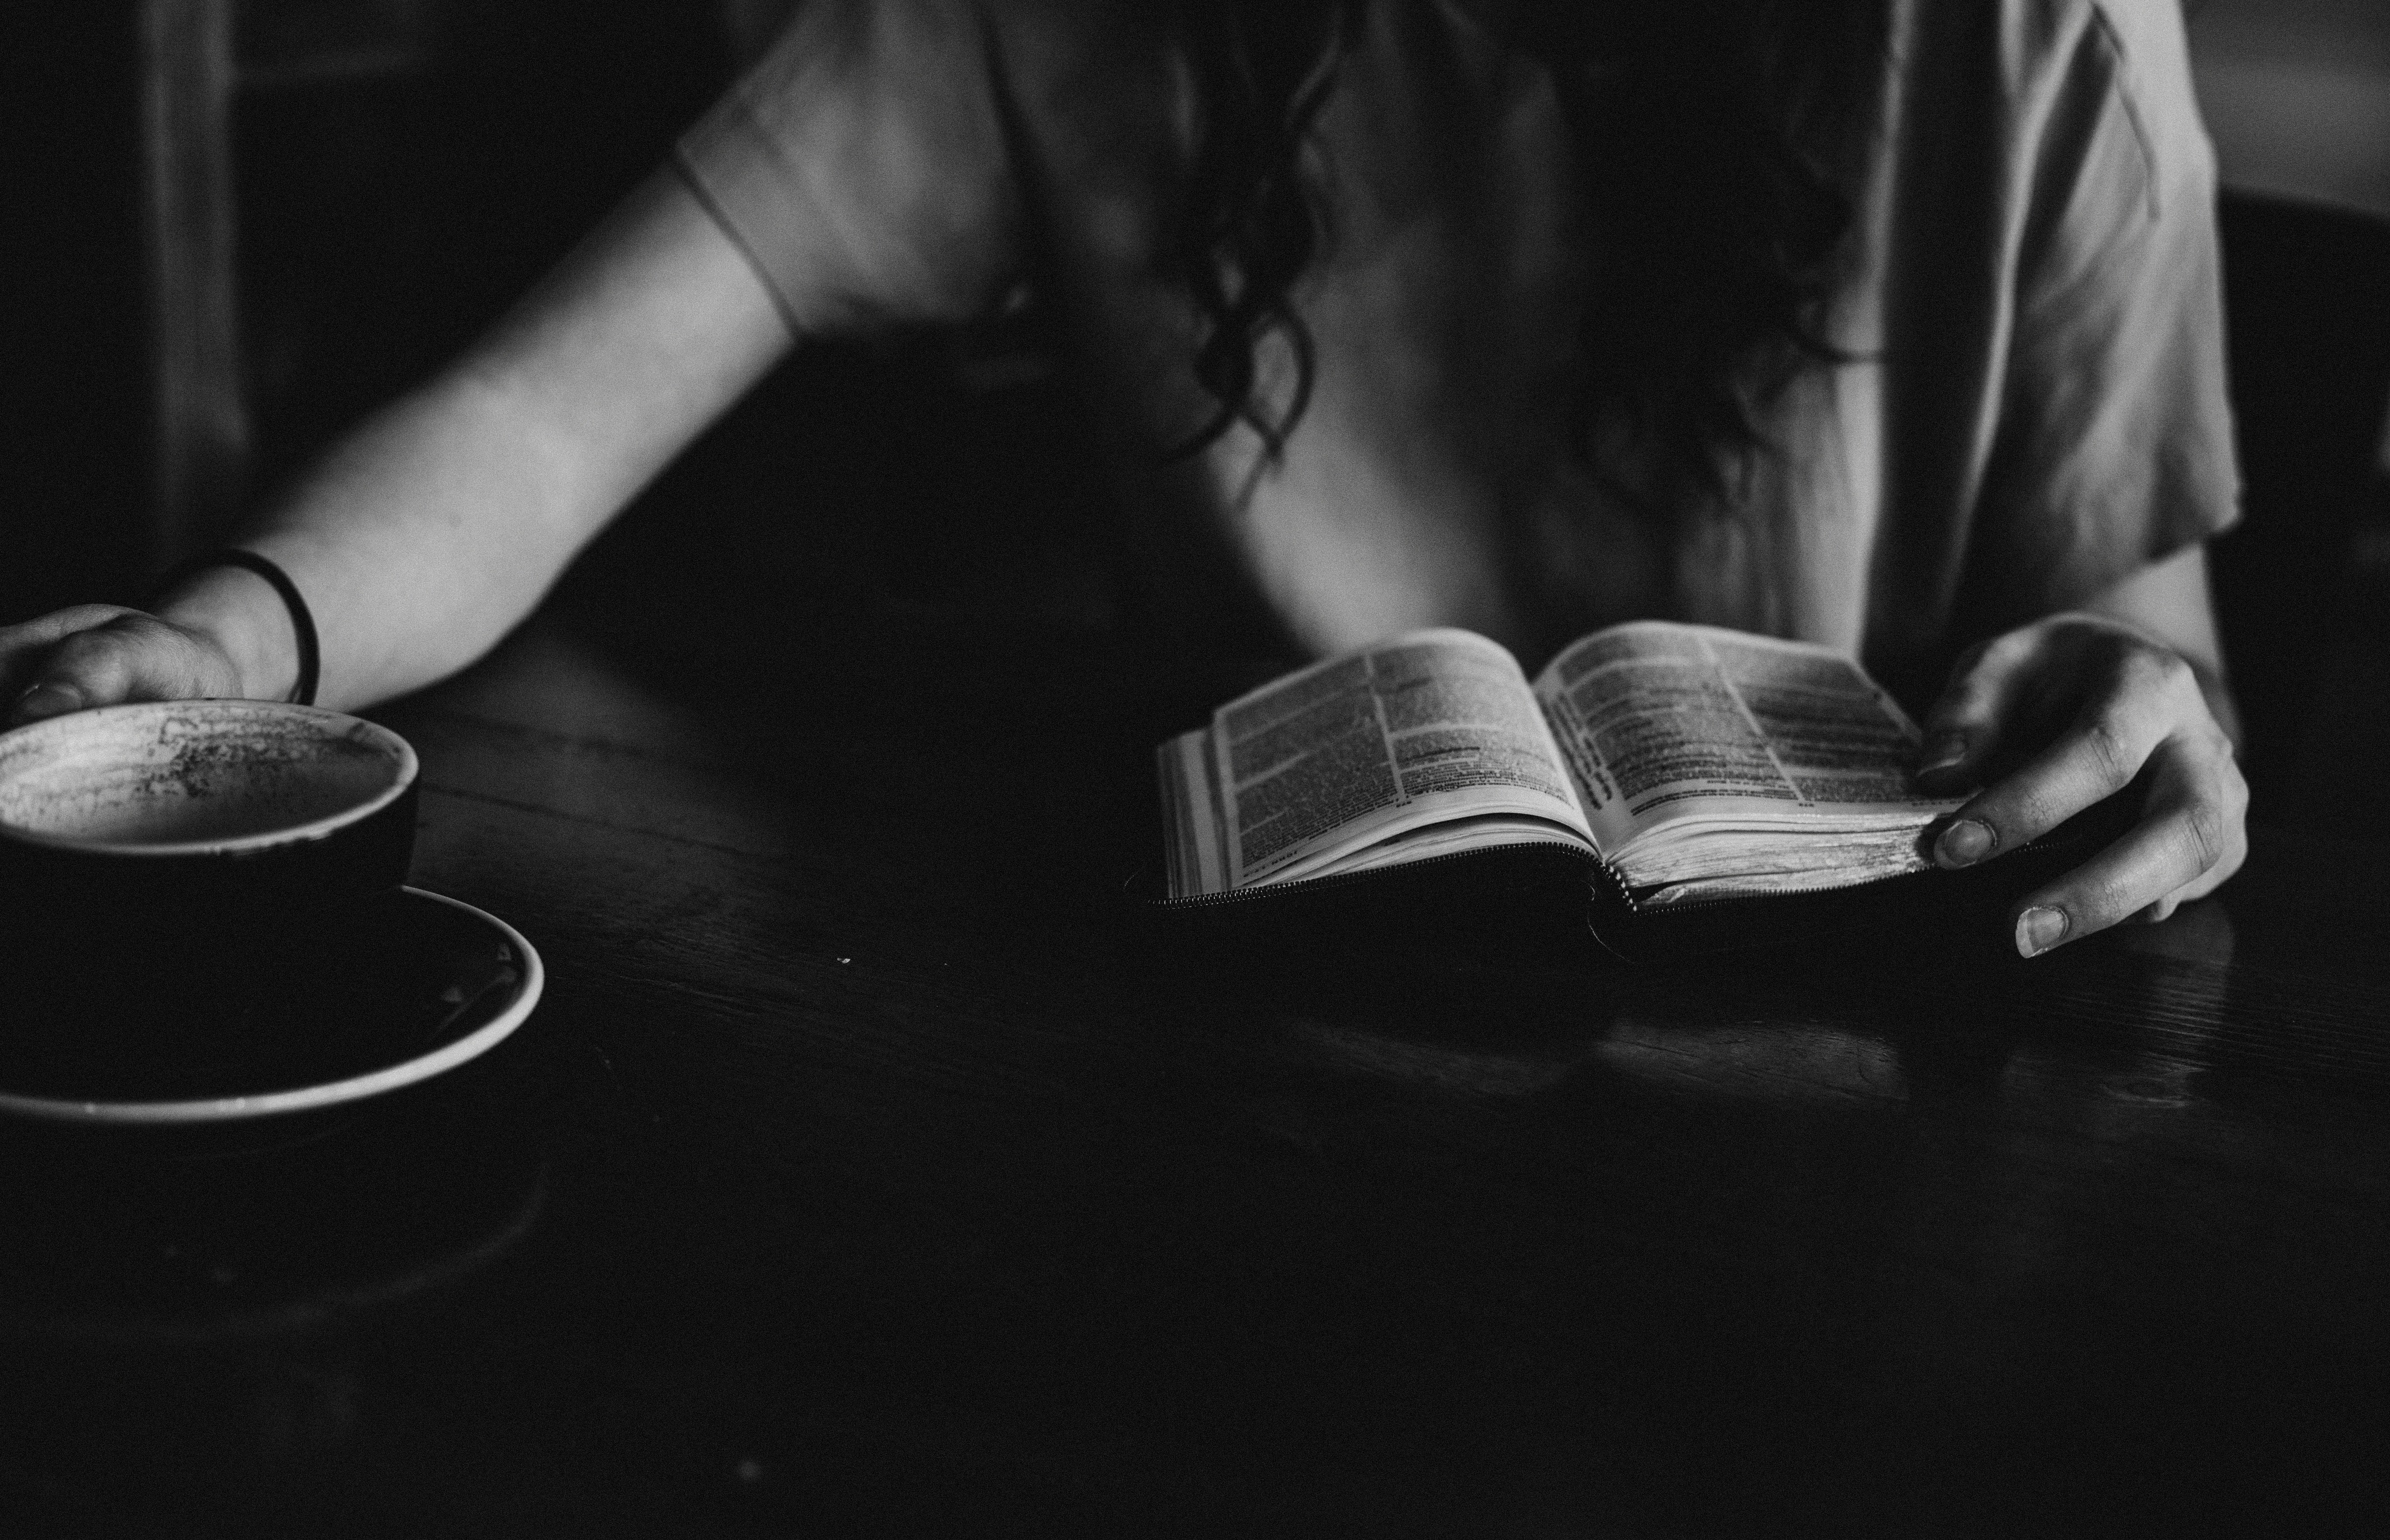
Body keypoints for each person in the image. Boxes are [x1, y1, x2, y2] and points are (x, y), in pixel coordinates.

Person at [0, 0, 2247, 957]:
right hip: (1240, 1050)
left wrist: (2151, 711)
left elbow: (2139, 650)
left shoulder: (2031, 25)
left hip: (1835, 1097)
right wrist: (227, 635)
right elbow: (548, 416)